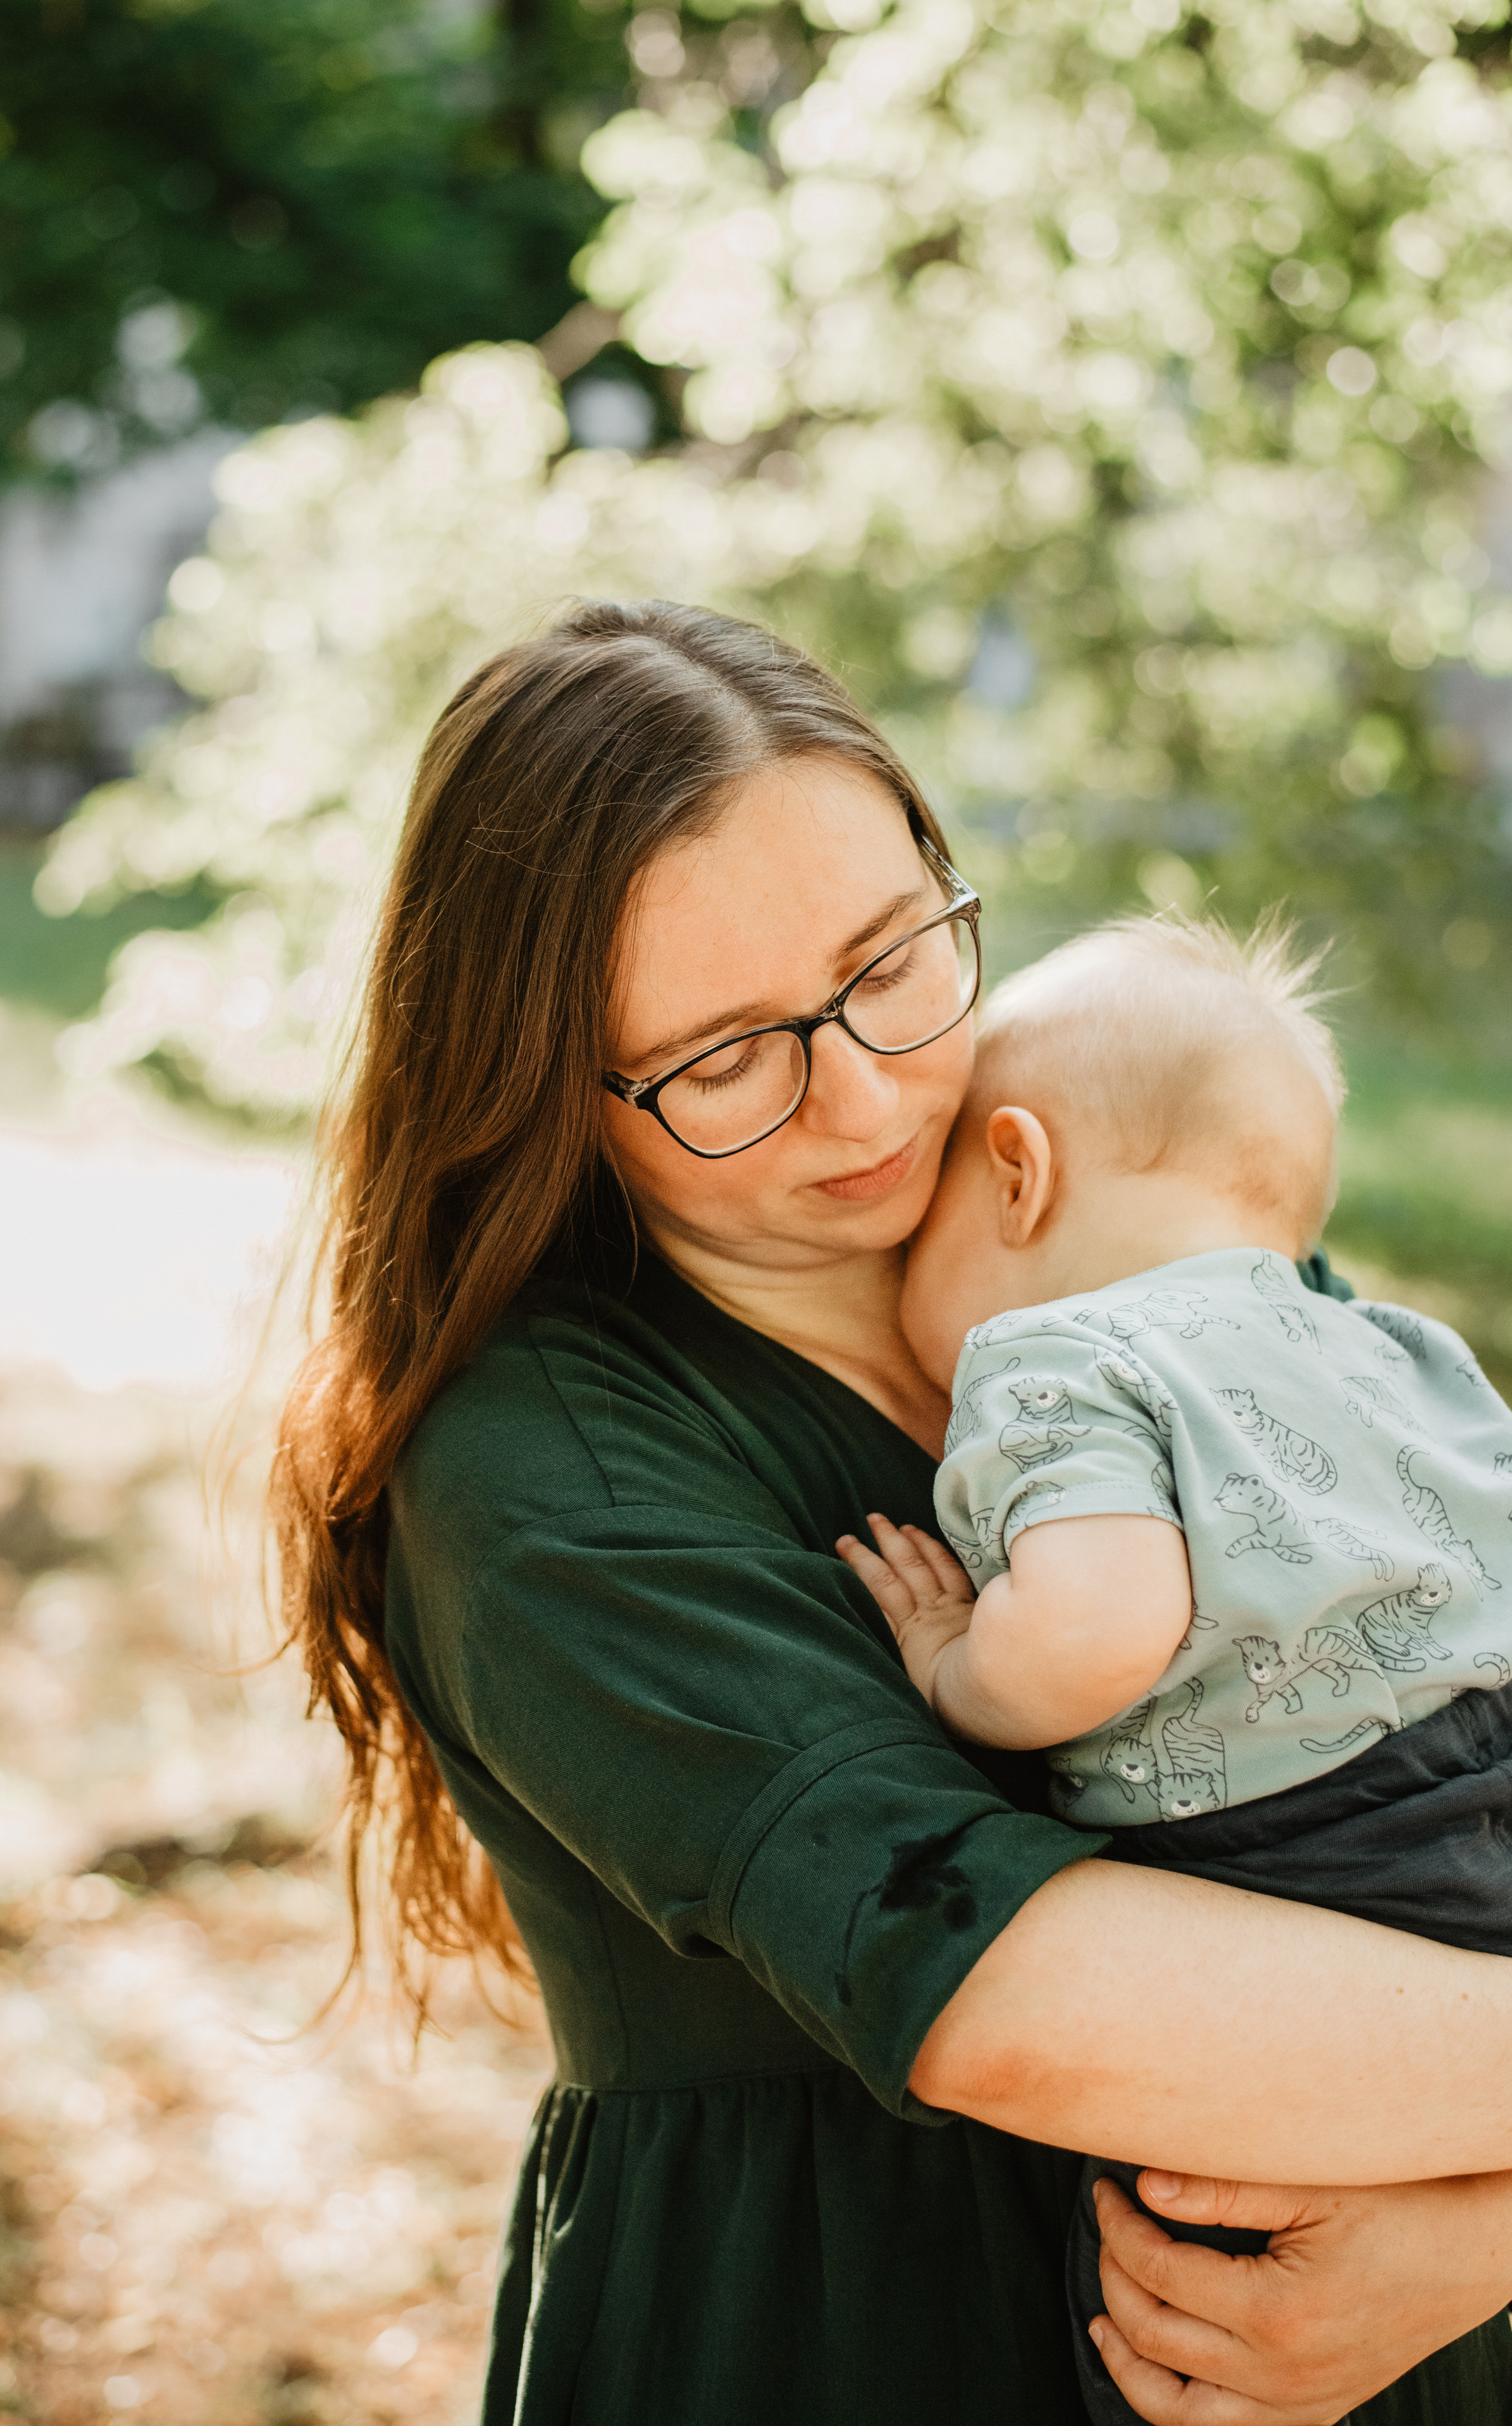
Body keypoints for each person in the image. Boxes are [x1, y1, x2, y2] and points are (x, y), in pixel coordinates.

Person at [273, 598, 1512, 2426]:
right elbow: (1004, 1986)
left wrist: (1478, 2236)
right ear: (557, 1092)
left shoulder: (1139, 1250)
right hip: (858, 2335)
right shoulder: (553, 1478)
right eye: (720, 1061)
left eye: (892, 965)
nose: (865, 1098)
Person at [834, 911, 1512, 2425]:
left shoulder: (1057, 1354)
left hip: (1291, 1855)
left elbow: (1091, 1631)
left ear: (1015, 1170)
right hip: (1487, 1813)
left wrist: (950, 1661)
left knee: (1189, 2294)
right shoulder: (1400, 1348)